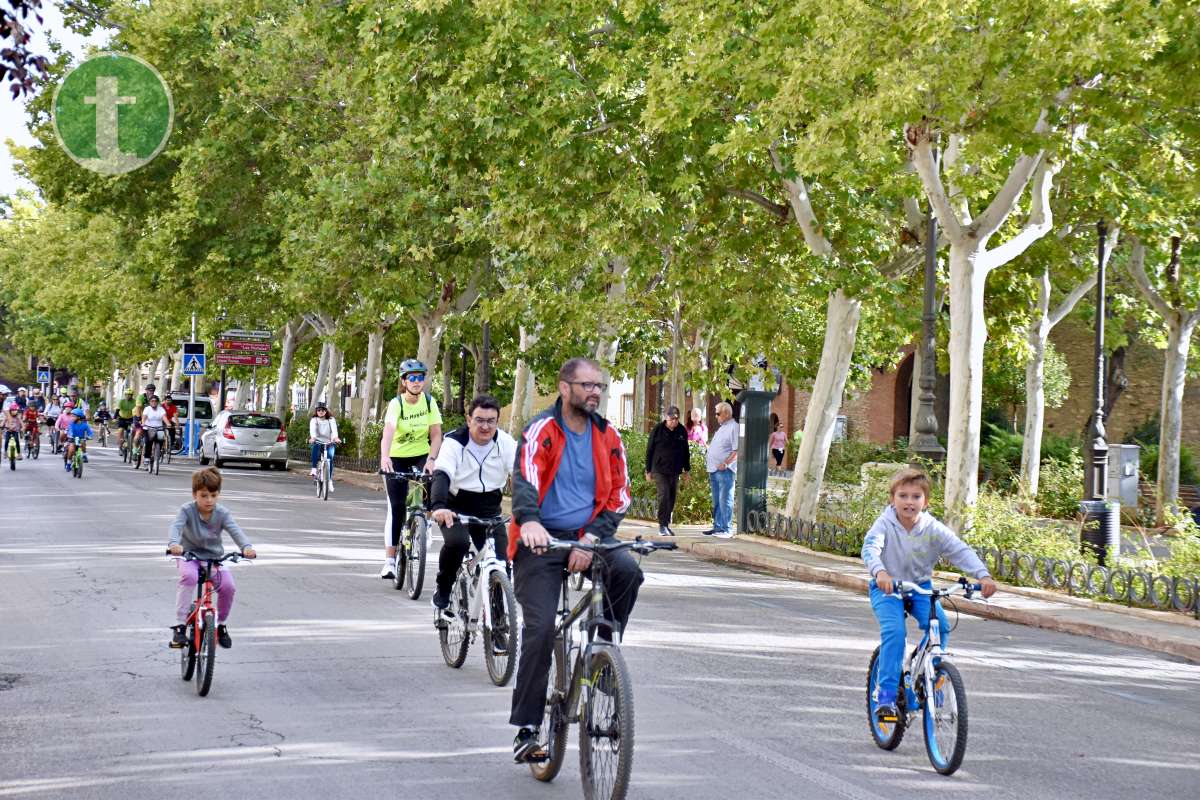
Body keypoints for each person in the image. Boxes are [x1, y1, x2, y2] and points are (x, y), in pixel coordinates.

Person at [509, 357, 639, 763]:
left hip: (589, 535)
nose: (595, 392)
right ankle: (527, 729)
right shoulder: (542, 430)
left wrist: (591, 537)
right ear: (564, 388)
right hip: (541, 540)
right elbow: (526, 479)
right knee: (541, 630)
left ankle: (603, 647)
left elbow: (620, 494)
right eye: (586, 385)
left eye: (599, 385)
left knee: (629, 570)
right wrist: (529, 522)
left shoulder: (609, 436)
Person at [862, 468, 997, 724]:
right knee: (895, 633)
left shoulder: (932, 528)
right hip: (888, 588)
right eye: (903, 496)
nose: (909, 502)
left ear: (926, 501)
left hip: (920, 587)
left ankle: (929, 677)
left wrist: (983, 575)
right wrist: (880, 572)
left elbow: (959, 550)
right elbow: (870, 549)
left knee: (942, 627)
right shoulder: (884, 524)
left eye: (916, 496)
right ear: (892, 499)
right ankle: (887, 695)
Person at [429, 394, 517, 615]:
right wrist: (439, 506)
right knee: (458, 542)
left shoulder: (505, 443)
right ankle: (444, 588)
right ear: (469, 420)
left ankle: (498, 625)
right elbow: (442, 475)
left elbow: (522, 477)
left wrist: (527, 510)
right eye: (479, 420)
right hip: (455, 506)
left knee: (501, 563)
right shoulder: (454, 442)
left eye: (491, 421)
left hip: (489, 507)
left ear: (497, 422)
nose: (485, 426)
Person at [166, 467, 257, 649]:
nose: (209, 500)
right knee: (189, 578)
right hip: (188, 556)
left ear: (218, 495)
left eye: (213, 495)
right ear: (194, 495)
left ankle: (221, 625)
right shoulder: (186, 510)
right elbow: (176, 527)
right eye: (204, 495)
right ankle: (180, 626)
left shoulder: (222, 513)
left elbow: (235, 531)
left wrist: (246, 547)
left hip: (214, 559)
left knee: (228, 587)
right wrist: (174, 544)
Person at [378, 359, 443, 579]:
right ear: (404, 381)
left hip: (420, 455)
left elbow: (436, 434)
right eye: (412, 378)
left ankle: (424, 524)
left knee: (427, 493)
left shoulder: (429, 402)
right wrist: (385, 457)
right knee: (396, 507)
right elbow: (388, 431)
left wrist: (432, 459)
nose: (416, 382)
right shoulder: (397, 404)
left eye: (420, 377)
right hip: (397, 457)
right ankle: (389, 561)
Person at [645, 405, 690, 536]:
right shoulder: (657, 430)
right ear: (666, 418)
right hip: (659, 469)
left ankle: (666, 523)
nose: (674, 421)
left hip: (675, 469)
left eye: (676, 419)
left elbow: (685, 451)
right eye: (671, 419)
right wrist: (648, 470)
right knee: (663, 494)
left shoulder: (681, 430)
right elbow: (649, 450)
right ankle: (662, 525)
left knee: (671, 496)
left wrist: (687, 470)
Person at [703, 402, 738, 538]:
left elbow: (736, 450)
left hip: (725, 470)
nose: (716, 416)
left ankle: (727, 529)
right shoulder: (722, 427)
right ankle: (717, 527)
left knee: (725, 500)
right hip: (713, 469)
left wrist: (725, 463)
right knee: (717, 500)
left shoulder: (733, 427)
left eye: (718, 413)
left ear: (726, 414)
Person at [308, 402, 342, 488]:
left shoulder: (331, 419)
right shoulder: (314, 420)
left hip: (329, 442)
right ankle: (314, 469)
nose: (321, 412)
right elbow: (313, 430)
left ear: (326, 411)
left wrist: (336, 438)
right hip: (318, 441)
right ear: (316, 411)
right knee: (315, 447)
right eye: (319, 410)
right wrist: (313, 438)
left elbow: (334, 430)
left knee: (330, 458)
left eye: (323, 410)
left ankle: (329, 480)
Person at [141, 395, 168, 463]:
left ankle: (158, 452)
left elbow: (164, 417)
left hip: (159, 428)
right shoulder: (147, 409)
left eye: (155, 401)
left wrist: (168, 423)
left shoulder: (161, 409)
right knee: (148, 442)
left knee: (161, 440)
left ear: (158, 402)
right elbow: (144, 417)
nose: (154, 402)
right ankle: (147, 457)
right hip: (148, 428)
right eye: (152, 401)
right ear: (149, 402)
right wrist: (143, 422)